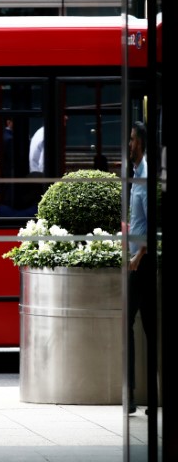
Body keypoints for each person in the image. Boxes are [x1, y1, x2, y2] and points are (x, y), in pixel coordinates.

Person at [126, 120, 153, 415]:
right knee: (142, 327)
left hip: (141, 266)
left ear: (141, 143)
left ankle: (133, 396)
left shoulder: (144, 176)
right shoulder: (136, 174)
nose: (129, 144)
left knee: (134, 326)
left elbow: (152, 221)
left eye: (132, 140)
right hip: (138, 260)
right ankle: (136, 396)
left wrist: (138, 255)